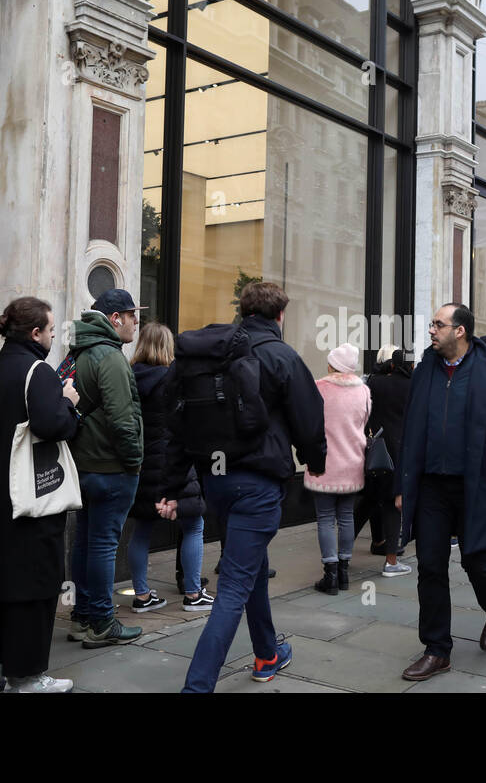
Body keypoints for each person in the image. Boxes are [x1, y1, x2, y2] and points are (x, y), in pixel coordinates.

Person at [171, 282, 327, 692]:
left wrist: (172, 482)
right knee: (234, 587)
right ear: (279, 316)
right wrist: (317, 462)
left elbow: (176, 418)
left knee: (251, 566)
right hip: (257, 484)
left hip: (215, 480)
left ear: (243, 311)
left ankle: (267, 654)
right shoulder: (281, 355)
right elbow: (310, 420)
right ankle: (197, 687)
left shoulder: (213, 354)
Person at [394, 303, 486, 680]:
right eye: (433, 324)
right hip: (431, 487)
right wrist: (403, 487)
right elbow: (409, 434)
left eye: (438, 324)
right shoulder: (423, 372)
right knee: (430, 566)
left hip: (477, 487)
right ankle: (437, 649)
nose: (432, 330)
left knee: (476, 560)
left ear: (460, 331)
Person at [0, 297, 80, 694]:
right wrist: (70, 402)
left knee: (0, 582)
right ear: (36, 334)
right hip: (32, 501)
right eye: (51, 331)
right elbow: (54, 425)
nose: (53, 338)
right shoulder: (40, 373)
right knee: (35, 585)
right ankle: (27, 676)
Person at [65, 288, 146, 648]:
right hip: (110, 467)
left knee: (84, 541)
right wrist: (134, 461)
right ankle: (101, 621)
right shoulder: (109, 356)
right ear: (115, 319)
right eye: (132, 316)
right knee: (101, 544)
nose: (136, 321)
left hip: (83, 465)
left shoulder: (78, 352)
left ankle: (83, 616)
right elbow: (122, 419)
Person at [127, 322, 213, 615]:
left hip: (140, 466)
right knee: (193, 524)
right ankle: (192, 593)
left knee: (141, 529)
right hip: (173, 462)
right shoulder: (171, 380)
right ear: (167, 348)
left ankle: (141, 596)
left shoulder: (129, 376)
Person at [306, 343, 371, 594]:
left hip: (324, 463)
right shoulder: (363, 391)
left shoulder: (319, 387)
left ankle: (330, 575)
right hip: (353, 461)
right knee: (346, 517)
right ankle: (344, 572)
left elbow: (310, 423)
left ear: (333, 364)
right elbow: (364, 423)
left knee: (324, 518)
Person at [364, 344, 412, 576]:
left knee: (367, 502)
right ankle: (391, 561)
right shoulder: (412, 385)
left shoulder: (374, 382)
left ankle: (339, 558)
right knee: (395, 506)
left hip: (376, 450)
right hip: (402, 452)